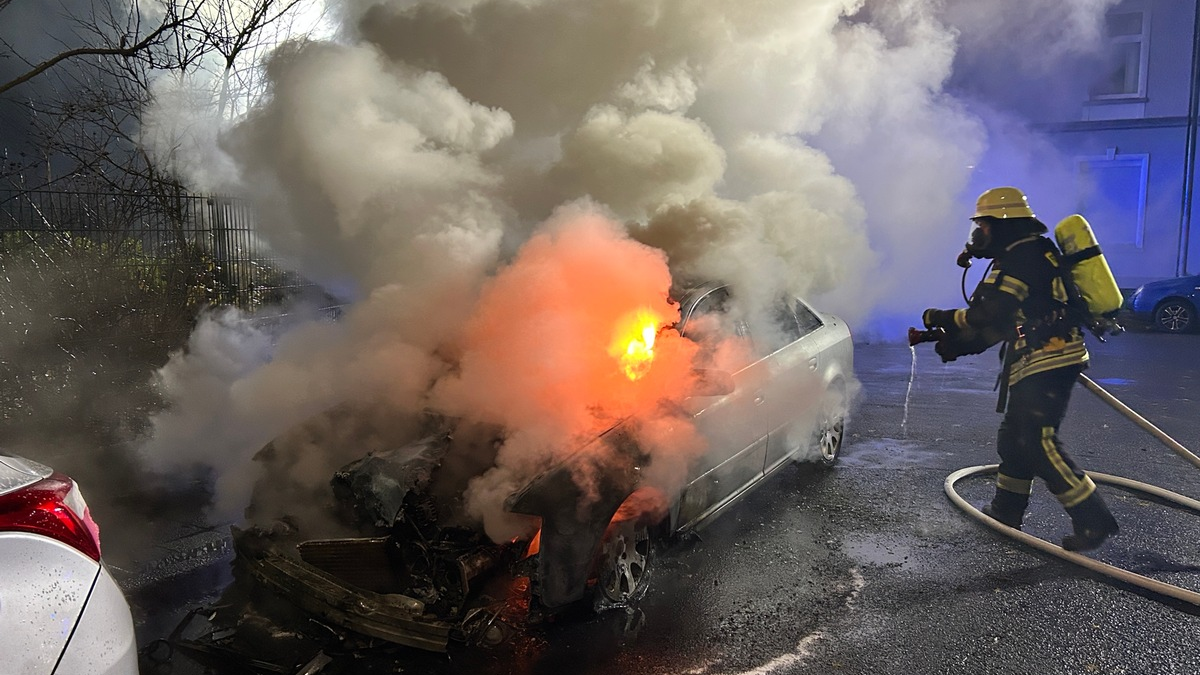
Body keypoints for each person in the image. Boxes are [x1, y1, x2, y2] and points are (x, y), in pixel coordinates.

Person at [921, 186, 1119, 551]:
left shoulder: (1021, 258)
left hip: (1049, 358)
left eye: (983, 226)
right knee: (1015, 438)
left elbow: (986, 314)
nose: (979, 235)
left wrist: (940, 317)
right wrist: (957, 346)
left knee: (1037, 440)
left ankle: (1094, 520)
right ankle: (1006, 511)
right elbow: (1003, 324)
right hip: (1038, 357)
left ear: (1003, 225)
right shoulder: (1028, 252)